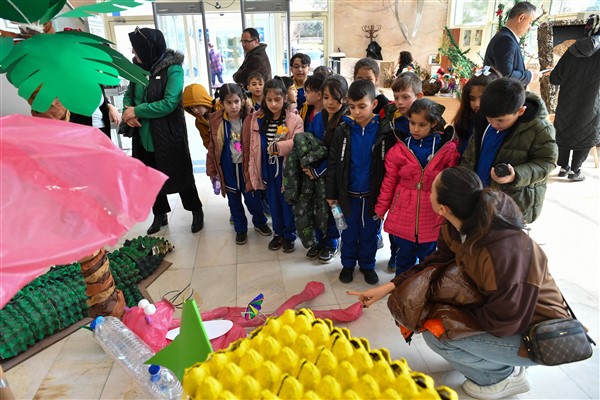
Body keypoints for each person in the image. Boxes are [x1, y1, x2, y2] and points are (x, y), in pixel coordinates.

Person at [349, 166, 570, 400]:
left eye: (432, 188)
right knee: (435, 323)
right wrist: (387, 289)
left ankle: (504, 377)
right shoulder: (458, 226)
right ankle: (491, 360)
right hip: (504, 312)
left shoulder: (503, 250)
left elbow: (504, 322)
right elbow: (436, 261)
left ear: (442, 208)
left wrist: (448, 316)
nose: (428, 191)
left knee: (438, 335)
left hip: (534, 331)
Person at [122, 27, 204, 235]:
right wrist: (127, 112)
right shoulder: (136, 69)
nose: (133, 52)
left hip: (168, 134)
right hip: (143, 135)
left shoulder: (173, 69)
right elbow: (128, 95)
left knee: (180, 173)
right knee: (149, 178)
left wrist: (137, 110)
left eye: (136, 49)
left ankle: (196, 210)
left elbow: (169, 103)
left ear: (149, 49)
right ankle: (160, 214)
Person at [375, 99, 459, 277]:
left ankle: (422, 291)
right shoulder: (400, 148)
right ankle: (401, 291)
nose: (415, 129)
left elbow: (451, 185)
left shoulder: (447, 150)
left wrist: (452, 214)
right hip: (403, 212)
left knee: (428, 260)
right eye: (412, 123)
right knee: (403, 259)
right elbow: (389, 181)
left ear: (433, 123)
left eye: (422, 125)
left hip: (432, 214)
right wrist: (381, 208)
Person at [326, 79, 395, 285]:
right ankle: (347, 264)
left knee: (369, 234)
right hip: (347, 196)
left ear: (374, 104)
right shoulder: (343, 130)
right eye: (352, 106)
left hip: (373, 196)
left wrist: (386, 198)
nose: (356, 112)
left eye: (362, 106)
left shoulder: (384, 131)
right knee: (347, 232)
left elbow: (389, 167)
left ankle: (367, 265)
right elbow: (333, 164)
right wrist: (331, 194)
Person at [460, 77, 557, 224]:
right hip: (480, 198)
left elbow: (547, 162)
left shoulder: (539, 128)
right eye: (489, 119)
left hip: (513, 204)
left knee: (504, 243)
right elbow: (470, 156)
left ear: (520, 111)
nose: (493, 124)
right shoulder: (484, 121)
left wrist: (515, 175)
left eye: (500, 120)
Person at [207, 84, 272, 245]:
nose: (233, 106)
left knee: (253, 200)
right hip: (229, 169)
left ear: (242, 100)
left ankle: (260, 222)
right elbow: (213, 147)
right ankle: (241, 229)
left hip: (247, 168)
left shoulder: (251, 118)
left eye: (236, 101)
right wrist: (212, 171)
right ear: (222, 104)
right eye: (228, 102)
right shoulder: (217, 121)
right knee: (233, 202)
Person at [245, 78, 303, 252]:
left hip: (286, 167)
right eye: (269, 100)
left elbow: (299, 141)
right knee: (273, 202)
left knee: (287, 202)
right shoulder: (258, 118)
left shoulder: (294, 119)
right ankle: (278, 233)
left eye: (277, 100)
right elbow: (254, 145)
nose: (273, 104)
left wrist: (279, 147)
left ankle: (290, 235)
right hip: (267, 167)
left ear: (285, 98)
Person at [303, 74, 349, 263]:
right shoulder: (318, 118)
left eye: (335, 97)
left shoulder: (346, 121)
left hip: (335, 177)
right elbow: (311, 143)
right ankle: (319, 240)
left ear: (344, 98)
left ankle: (333, 242)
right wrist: (307, 165)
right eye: (326, 97)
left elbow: (337, 156)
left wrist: (318, 170)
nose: (330, 102)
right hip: (315, 176)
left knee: (334, 210)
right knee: (316, 208)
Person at [549, 14, 600, 182]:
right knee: (586, 132)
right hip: (592, 104)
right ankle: (575, 170)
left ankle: (563, 167)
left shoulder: (572, 50)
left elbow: (554, 78)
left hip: (566, 102)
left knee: (564, 131)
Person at [483, 1, 539, 88]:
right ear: (521, 18)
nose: (530, 27)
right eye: (530, 22)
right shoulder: (506, 40)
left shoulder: (506, 37)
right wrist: (530, 76)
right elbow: (506, 75)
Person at [452, 66, 502, 155]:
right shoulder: (465, 121)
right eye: (472, 98)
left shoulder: (501, 126)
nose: (477, 104)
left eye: (483, 98)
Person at [183, 83, 213, 149]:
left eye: (197, 105)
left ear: (204, 101)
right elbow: (207, 142)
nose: (195, 110)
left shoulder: (222, 109)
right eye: (191, 108)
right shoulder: (199, 121)